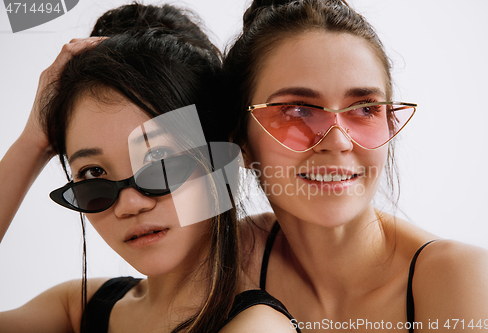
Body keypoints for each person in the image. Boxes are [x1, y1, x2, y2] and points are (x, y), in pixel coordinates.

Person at [0, 3, 297, 332]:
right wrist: (31, 143)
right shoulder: (79, 309)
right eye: (92, 173)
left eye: (159, 161)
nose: (129, 205)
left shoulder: (257, 327)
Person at [223, 0, 488, 331]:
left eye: (365, 109)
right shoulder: (228, 262)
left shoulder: (460, 279)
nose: (339, 141)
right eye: (297, 110)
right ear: (240, 137)